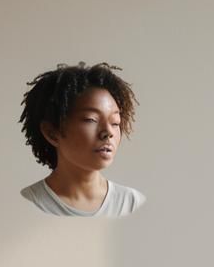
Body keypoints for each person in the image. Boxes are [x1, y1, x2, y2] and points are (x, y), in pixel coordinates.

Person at [18, 61, 146, 216]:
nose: (108, 132)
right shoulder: (27, 205)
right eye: (91, 119)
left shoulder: (132, 203)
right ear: (52, 132)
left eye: (115, 122)